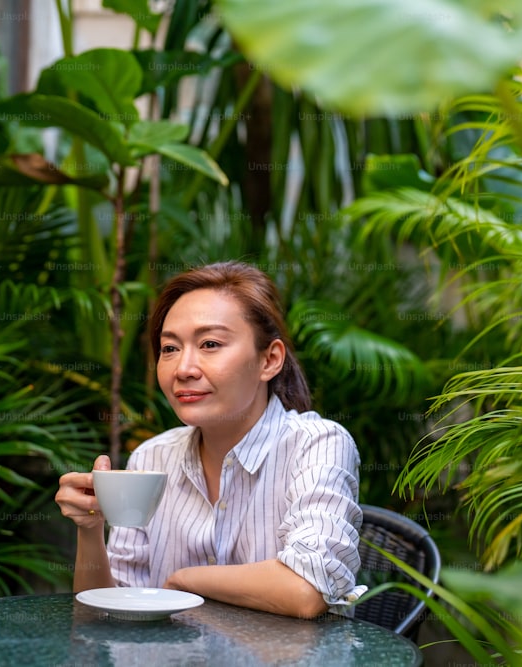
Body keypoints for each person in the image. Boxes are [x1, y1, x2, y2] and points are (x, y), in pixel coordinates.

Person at [55, 261, 366, 618]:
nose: (184, 368)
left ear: (270, 359)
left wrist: (185, 581)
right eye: (169, 348)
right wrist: (90, 530)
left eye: (210, 344)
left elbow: (305, 590)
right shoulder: (152, 458)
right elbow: (105, 614)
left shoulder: (317, 445)